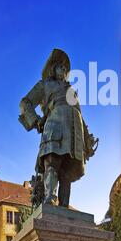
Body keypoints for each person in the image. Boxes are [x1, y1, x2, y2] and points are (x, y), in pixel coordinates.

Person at [19, 49, 98, 207]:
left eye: (65, 68)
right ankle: (50, 198)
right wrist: (35, 120)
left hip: (74, 133)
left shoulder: (72, 92)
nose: (63, 70)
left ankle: (65, 205)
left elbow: (80, 114)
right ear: (53, 68)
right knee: (52, 162)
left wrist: (87, 139)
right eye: (60, 66)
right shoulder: (45, 85)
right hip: (54, 127)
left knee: (67, 172)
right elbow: (25, 102)